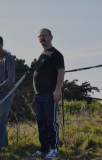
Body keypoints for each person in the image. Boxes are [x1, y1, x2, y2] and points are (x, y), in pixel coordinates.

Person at [29, 28, 65, 159]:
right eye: (39, 36)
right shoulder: (42, 55)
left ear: (51, 37)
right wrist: (36, 92)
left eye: (44, 35)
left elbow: (61, 72)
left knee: (51, 122)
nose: (42, 38)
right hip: (39, 95)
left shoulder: (55, 54)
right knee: (41, 122)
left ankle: (54, 149)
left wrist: (57, 90)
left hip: (50, 93)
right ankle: (43, 148)